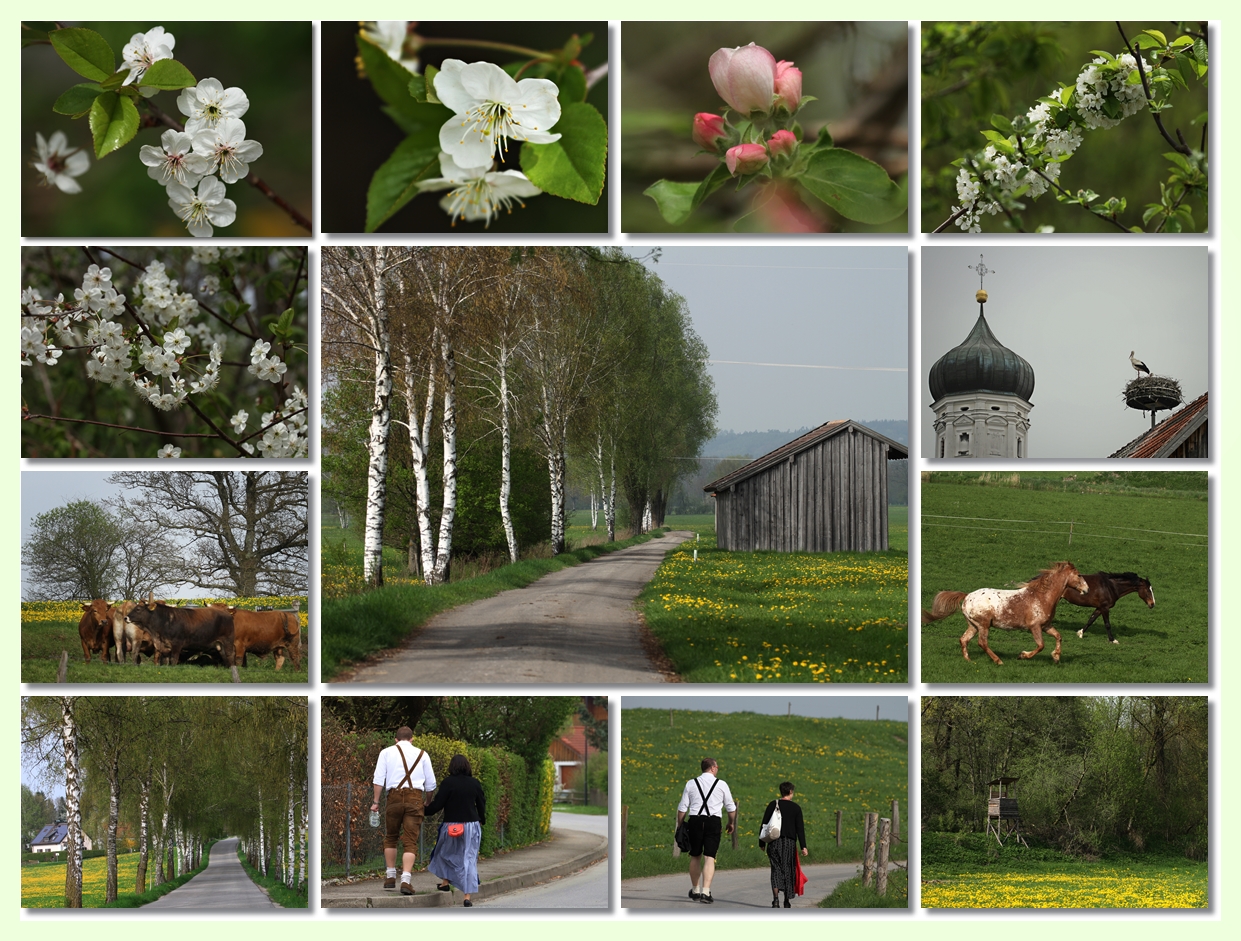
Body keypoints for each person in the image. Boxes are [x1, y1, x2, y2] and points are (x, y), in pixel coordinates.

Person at [370, 726, 437, 895]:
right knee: (410, 841)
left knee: (391, 837)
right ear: (412, 739)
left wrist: (375, 802)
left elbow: (378, 779)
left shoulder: (386, 753)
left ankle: (390, 876)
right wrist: (427, 801)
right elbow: (431, 784)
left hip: (394, 797)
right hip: (415, 799)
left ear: (396, 740)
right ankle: (406, 880)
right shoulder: (423, 754)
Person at [424, 754, 487, 908]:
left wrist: (424, 810)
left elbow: (437, 804)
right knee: (468, 859)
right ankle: (467, 896)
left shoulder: (448, 783)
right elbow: (481, 804)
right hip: (471, 826)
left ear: (452, 767)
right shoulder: (474, 783)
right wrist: (481, 819)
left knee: (444, 854)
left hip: (451, 826)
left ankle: (445, 882)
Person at [676, 757, 737, 904]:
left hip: (695, 820)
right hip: (713, 822)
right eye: (717, 767)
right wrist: (731, 823)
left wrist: (680, 826)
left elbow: (682, 808)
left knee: (695, 855)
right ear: (712, 768)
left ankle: (695, 890)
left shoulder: (691, 783)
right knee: (709, 857)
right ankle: (706, 891)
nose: (718, 769)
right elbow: (731, 808)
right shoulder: (721, 784)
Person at [759, 781, 808, 908]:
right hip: (789, 843)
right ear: (791, 792)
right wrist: (803, 846)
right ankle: (786, 900)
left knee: (776, 870)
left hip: (774, 842)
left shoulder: (773, 805)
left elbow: (764, 824)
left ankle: (775, 900)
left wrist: (761, 842)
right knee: (788, 870)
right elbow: (800, 829)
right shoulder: (796, 808)